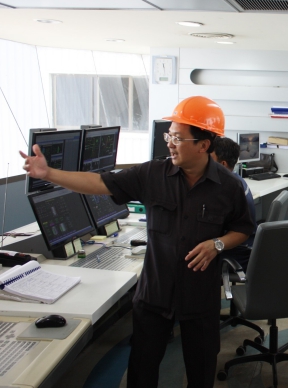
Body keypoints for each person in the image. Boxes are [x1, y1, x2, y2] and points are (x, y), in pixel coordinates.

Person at [20, 95, 255, 387]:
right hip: (154, 296)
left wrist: (217, 244)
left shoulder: (229, 186)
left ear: (203, 145)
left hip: (200, 299)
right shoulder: (152, 174)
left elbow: (242, 229)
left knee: (201, 373)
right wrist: (48, 173)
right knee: (142, 371)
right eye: (169, 136)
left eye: (178, 138)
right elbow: (100, 183)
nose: (170, 143)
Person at [211, 136, 257, 271]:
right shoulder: (236, 179)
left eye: (209, 159)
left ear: (223, 164)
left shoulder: (226, 189)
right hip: (248, 247)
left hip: (237, 253)